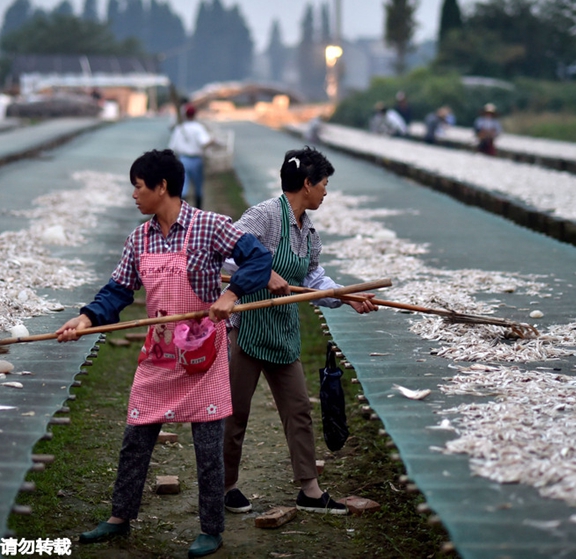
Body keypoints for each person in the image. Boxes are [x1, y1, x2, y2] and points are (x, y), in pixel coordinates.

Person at [55, 149, 272, 558]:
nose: (134, 195)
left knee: (208, 445)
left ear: (162, 187)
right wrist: (86, 319)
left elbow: (259, 258)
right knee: (136, 436)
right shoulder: (140, 237)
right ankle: (120, 517)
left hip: (202, 353)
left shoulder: (210, 226)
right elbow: (118, 290)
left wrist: (231, 293)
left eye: (138, 186)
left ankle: (211, 528)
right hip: (159, 352)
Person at [222, 146, 378, 517]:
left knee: (298, 410)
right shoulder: (263, 216)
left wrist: (346, 297)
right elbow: (228, 250)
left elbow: (313, 279)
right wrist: (263, 272)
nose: (326, 191)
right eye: (324, 184)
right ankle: (224, 486)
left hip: (283, 330)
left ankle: (309, 489)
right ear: (307, 184)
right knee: (234, 414)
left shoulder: (309, 233)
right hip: (247, 327)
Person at [168, 105, 216, 208]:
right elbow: (205, 142)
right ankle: (198, 211)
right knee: (198, 187)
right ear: (195, 114)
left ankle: (181, 212)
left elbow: (172, 147)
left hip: (183, 160)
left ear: (185, 115)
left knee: (183, 187)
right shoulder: (198, 128)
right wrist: (212, 141)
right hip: (196, 160)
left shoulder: (179, 128)